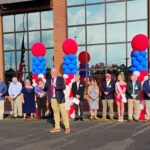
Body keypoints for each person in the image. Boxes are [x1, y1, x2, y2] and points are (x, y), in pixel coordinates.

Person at [49, 68, 70, 134]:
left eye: (54, 72)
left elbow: (63, 87)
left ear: (56, 72)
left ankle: (67, 127)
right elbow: (46, 88)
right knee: (55, 113)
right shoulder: (49, 79)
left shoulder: (60, 78)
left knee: (63, 112)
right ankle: (57, 127)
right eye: (51, 72)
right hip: (53, 98)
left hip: (60, 98)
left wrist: (56, 86)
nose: (52, 73)